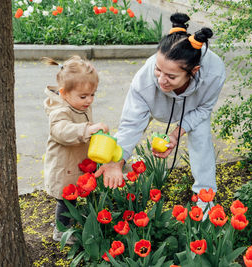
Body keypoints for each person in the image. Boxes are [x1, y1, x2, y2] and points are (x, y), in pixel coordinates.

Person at [95, 13, 225, 210]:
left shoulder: (214, 73)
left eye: (170, 76)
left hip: (193, 105)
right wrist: (116, 160)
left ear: (194, 70)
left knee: (201, 136)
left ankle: (205, 196)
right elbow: (131, 124)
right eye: (158, 70)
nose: (161, 80)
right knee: (129, 132)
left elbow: (204, 109)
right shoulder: (145, 81)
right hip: (157, 104)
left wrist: (176, 134)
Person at [42, 56, 108, 243]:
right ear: (64, 93)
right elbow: (61, 131)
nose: (89, 100)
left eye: (93, 94)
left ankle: (76, 221)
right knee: (66, 199)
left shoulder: (78, 104)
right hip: (64, 167)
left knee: (80, 193)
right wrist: (87, 130)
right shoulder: (59, 111)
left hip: (78, 162)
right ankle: (61, 231)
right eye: (83, 96)